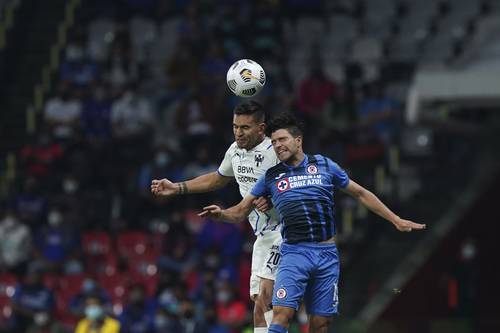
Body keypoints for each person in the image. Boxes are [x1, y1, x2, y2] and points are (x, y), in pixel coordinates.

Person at [199, 112, 426, 333]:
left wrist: (395, 219)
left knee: (320, 324)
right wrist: (221, 214)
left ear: (298, 141)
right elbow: (240, 211)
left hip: (326, 254)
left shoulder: (325, 166)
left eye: (282, 140)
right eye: (274, 141)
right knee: (281, 314)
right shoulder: (271, 176)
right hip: (293, 253)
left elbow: (360, 194)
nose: (278, 145)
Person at [151, 101, 281, 333]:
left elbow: (298, 185)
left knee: (268, 298)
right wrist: (176, 187)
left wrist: (275, 198)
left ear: (261, 129)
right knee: (259, 303)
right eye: (235, 127)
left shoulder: (277, 152)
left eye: (245, 128)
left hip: (285, 231)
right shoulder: (235, 151)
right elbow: (218, 178)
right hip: (263, 235)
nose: (238, 133)